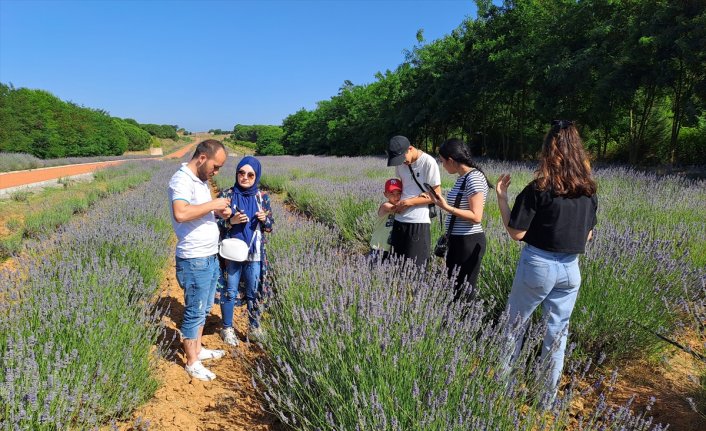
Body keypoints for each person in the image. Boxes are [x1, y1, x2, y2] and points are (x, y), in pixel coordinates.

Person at [495, 120, 598, 405]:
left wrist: (502, 199)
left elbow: (516, 233)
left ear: (548, 150)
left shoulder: (539, 188)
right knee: (557, 335)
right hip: (570, 269)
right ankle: (546, 400)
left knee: (514, 326)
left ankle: (503, 390)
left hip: (538, 264)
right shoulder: (588, 191)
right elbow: (587, 236)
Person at [168, 139, 232, 381]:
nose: (216, 172)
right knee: (194, 311)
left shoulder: (200, 180)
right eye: (215, 167)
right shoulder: (182, 179)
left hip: (208, 255)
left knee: (204, 308)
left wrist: (216, 211)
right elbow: (181, 213)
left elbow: (198, 210)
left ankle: (198, 349)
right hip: (194, 258)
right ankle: (191, 361)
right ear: (203, 158)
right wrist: (213, 203)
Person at [217, 156, 274, 344]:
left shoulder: (262, 197)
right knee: (230, 291)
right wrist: (229, 221)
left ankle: (254, 327)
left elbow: (270, 226)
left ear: (256, 176)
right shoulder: (227, 195)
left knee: (253, 291)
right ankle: (227, 328)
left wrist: (265, 219)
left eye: (251, 174)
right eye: (241, 173)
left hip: (254, 253)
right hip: (232, 252)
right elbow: (213, 223)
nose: (245, 177)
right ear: (236, 173)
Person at [427, 138, 490, 299]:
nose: (442, 166)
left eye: (443, 161)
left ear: (451, 160)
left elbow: (476, 217)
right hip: (458, 240)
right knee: (455, 288)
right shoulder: (463, 178)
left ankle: (466, 321)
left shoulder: (474, 178)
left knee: (465, 291)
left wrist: (446, 207)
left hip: (468, 241)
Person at [386, 135, 441, 266]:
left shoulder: (428, 162)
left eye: (402, 158)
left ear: (410, 149)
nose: (401, 163)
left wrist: (409, 202)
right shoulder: (400, 164)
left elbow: (437, 195)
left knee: (416, 267)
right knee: (397, 266)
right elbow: (401, 186)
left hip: (418, 221)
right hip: (399, 219)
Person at [368, 178, 403, 261]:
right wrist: (416, 201)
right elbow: (396, 209)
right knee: (374, 269)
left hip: (390, 248)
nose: (396, 197)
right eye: (392, 194)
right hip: (378, 246)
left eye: (398, 193)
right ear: (385, 194)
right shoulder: (385, 206)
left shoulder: (399, 204)